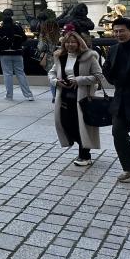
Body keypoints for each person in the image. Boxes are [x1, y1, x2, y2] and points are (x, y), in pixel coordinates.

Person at [49, 31, 104, 167]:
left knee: (82, 126)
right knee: (66, 124)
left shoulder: (89, 57)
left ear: (79, 43)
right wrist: (56, 81)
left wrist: (79, 80)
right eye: (67, 42)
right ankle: (82, 148)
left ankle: (85, 155)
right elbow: (51, 72)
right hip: (65, 97)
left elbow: (99, 76)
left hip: (83, 97)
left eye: (73, 42)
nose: (70, 45)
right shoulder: (60, 56)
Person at [103, 18, 130, 182]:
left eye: (121, 31)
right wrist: (115, 82)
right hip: (121, 100)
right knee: (118, 133)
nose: (118, 34)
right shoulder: (113, 49)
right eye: (116, 31)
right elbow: (106, 68)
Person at [0, 15, 34, 101]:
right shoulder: (18, 28)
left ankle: (9, 95)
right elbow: (24, 38)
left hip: (4, 54)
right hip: (17, 53)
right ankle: (29, 95)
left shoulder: (0, 30)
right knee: (21, 73)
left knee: (7, 74)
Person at [37, 20, 61, 103]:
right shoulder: (59, 34)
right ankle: (60, 94)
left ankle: (55, 96)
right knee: (60, 76)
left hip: (50, 58)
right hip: (60, 56)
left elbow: (41, 47)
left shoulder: (44, 36)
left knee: (52, 77)